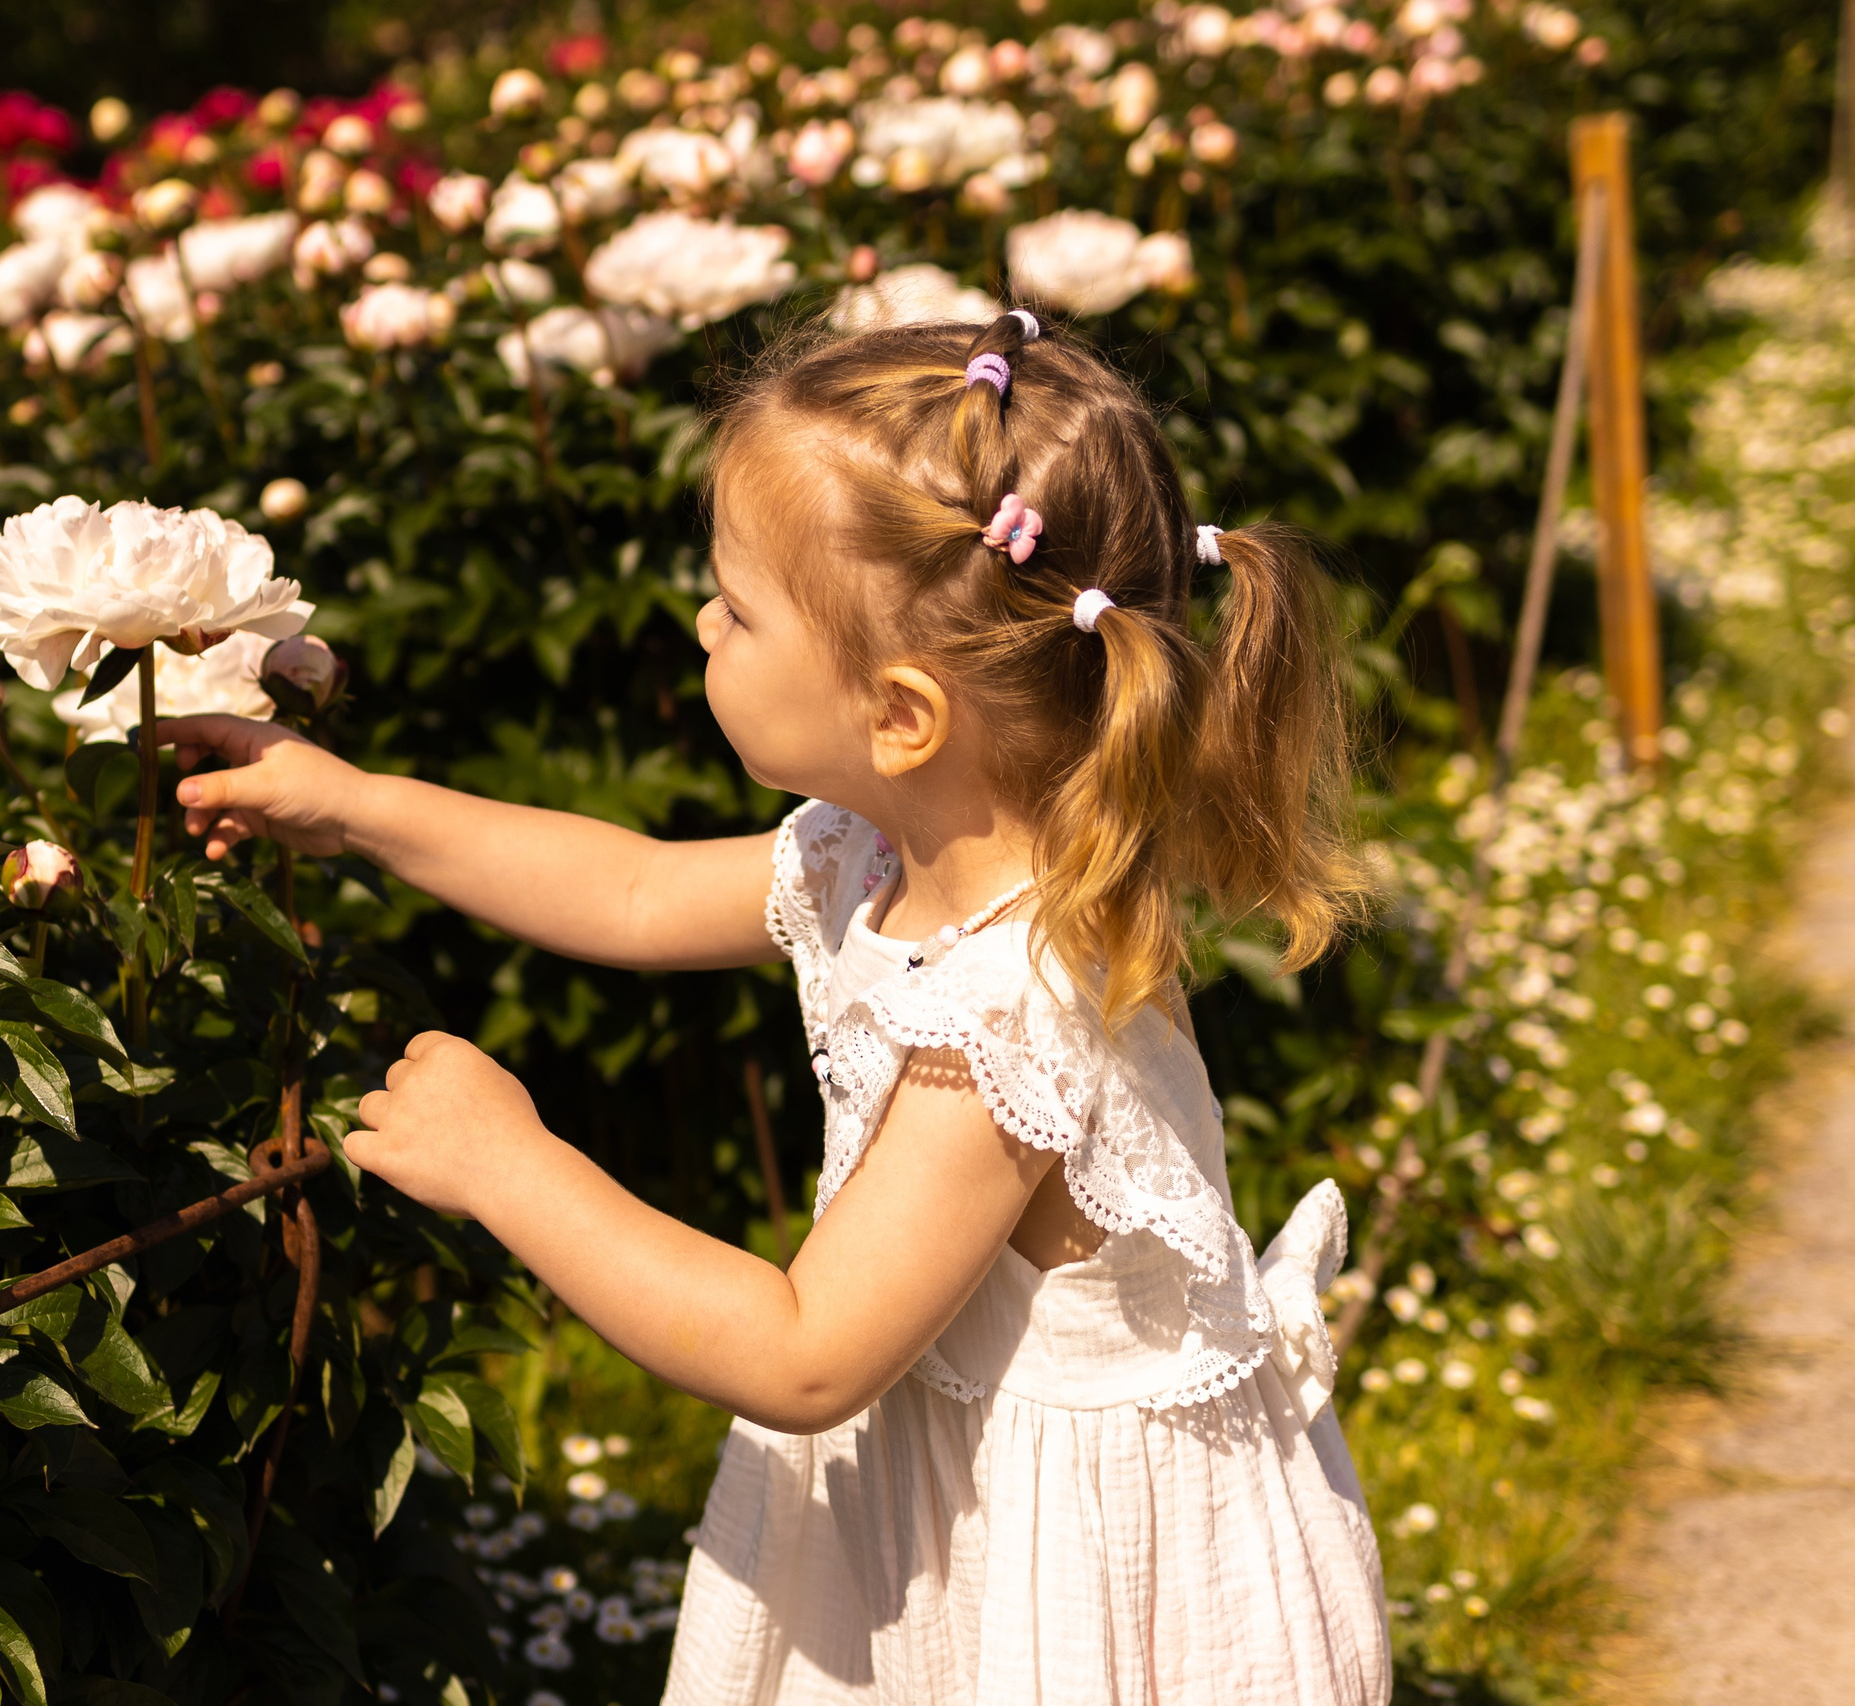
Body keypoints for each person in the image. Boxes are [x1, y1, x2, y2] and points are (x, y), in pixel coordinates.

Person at [160, 307, 1391, 1705]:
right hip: (967, 1505)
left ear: (903, 717)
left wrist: (512, 1164)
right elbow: (626, 891)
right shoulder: (886, 853)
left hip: (1074, 1593)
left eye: (739, 608)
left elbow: (806, 1355)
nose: (703, 622)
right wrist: (357, 805)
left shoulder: (1010, 1009)